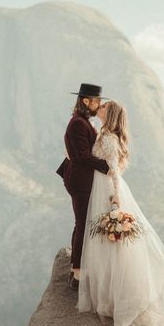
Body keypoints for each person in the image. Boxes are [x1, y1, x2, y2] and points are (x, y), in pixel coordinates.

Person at [77, 99, 164, 326]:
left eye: (104, 107)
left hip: (108, 191)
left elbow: (113, 171)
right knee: (103, 242)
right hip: (99, 190)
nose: (99, 107)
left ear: (109, 115)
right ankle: (107, 295)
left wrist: (115, 202)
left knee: (110, 244)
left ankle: (113, 298)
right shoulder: (104, 134)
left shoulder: (109, 139)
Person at [56, 83, 111, 290]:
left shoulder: (82, 121)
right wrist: (108, 167)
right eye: (97, 101)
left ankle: (74, 268)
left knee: (81, 223)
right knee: (83, 225)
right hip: (80, 181)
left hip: (80, 179)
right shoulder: (78, 123)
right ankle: (77, 275)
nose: (99, 104)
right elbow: (83, 157)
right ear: (86, 101)